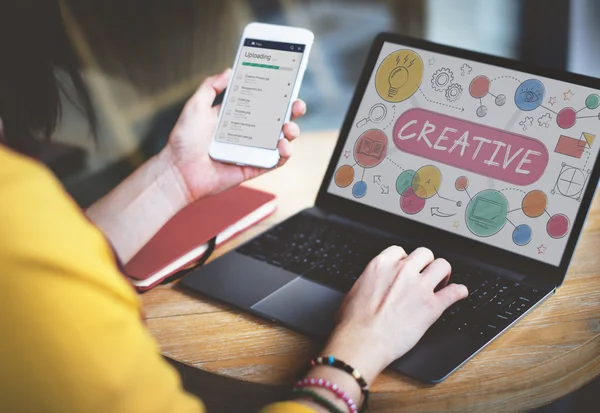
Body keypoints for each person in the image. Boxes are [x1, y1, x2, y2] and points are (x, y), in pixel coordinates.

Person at [0, 2, 468, 412]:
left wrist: (175, 176)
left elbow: (54, 254)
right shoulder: (17, 217)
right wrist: (361, 347)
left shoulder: (21, 207)